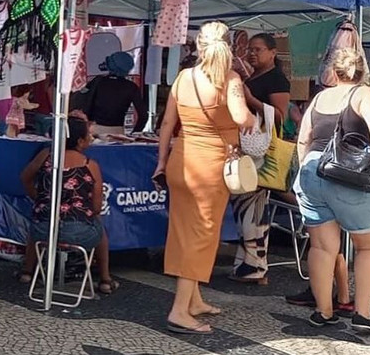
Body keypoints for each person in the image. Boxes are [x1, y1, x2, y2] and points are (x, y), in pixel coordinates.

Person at [155, 21, 255, 334]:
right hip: (211, 167)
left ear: (199, 45)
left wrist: (161, 162)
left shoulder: (184, 77)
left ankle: (194, 300)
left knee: (183, 233)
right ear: (229, 47)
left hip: (180, 161)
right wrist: (253, 115)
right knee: (201, 237)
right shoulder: (230, 79)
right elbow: (241, 118)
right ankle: (179, 311)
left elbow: (167, 123)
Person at [294, 47, 370, 333]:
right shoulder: (363, 94)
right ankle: (362, 314)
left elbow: (303, 138)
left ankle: (323, 312)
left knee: (322, 247)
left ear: (333, 72)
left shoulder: (320, 97)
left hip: (312, 171)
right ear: (363, 73)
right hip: (349, 176)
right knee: (369, 246)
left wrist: (307, 169)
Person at [18, 113, 118, 294]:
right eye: (88, 136)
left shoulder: (45, 155)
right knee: (100, 229)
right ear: (80, 141)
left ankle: (27, 271)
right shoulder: (90, 165)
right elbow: (96, 208)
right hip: (79, 234)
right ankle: (105, 279)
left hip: (43, 231)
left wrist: (39, 199)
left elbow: (25, 178)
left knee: (38, 218)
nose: (91, 139)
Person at [230, 33, 291, 284]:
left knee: (254, 207)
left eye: (258, 49)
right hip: (245, 148)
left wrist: (249, 99)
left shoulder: (276, 78)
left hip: (259, 151)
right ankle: (246, 261)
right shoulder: (250, 75)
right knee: (242, 205)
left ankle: (257, 265)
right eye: (250, 50)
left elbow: (279, 116)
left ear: (272, 52)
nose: (253, 53)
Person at [83, 51, 147, 136]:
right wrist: (134, 134)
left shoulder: (98, 81)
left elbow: (85, 103)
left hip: (94, 130)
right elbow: (143, 115)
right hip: (117, 132)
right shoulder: (131, 87)